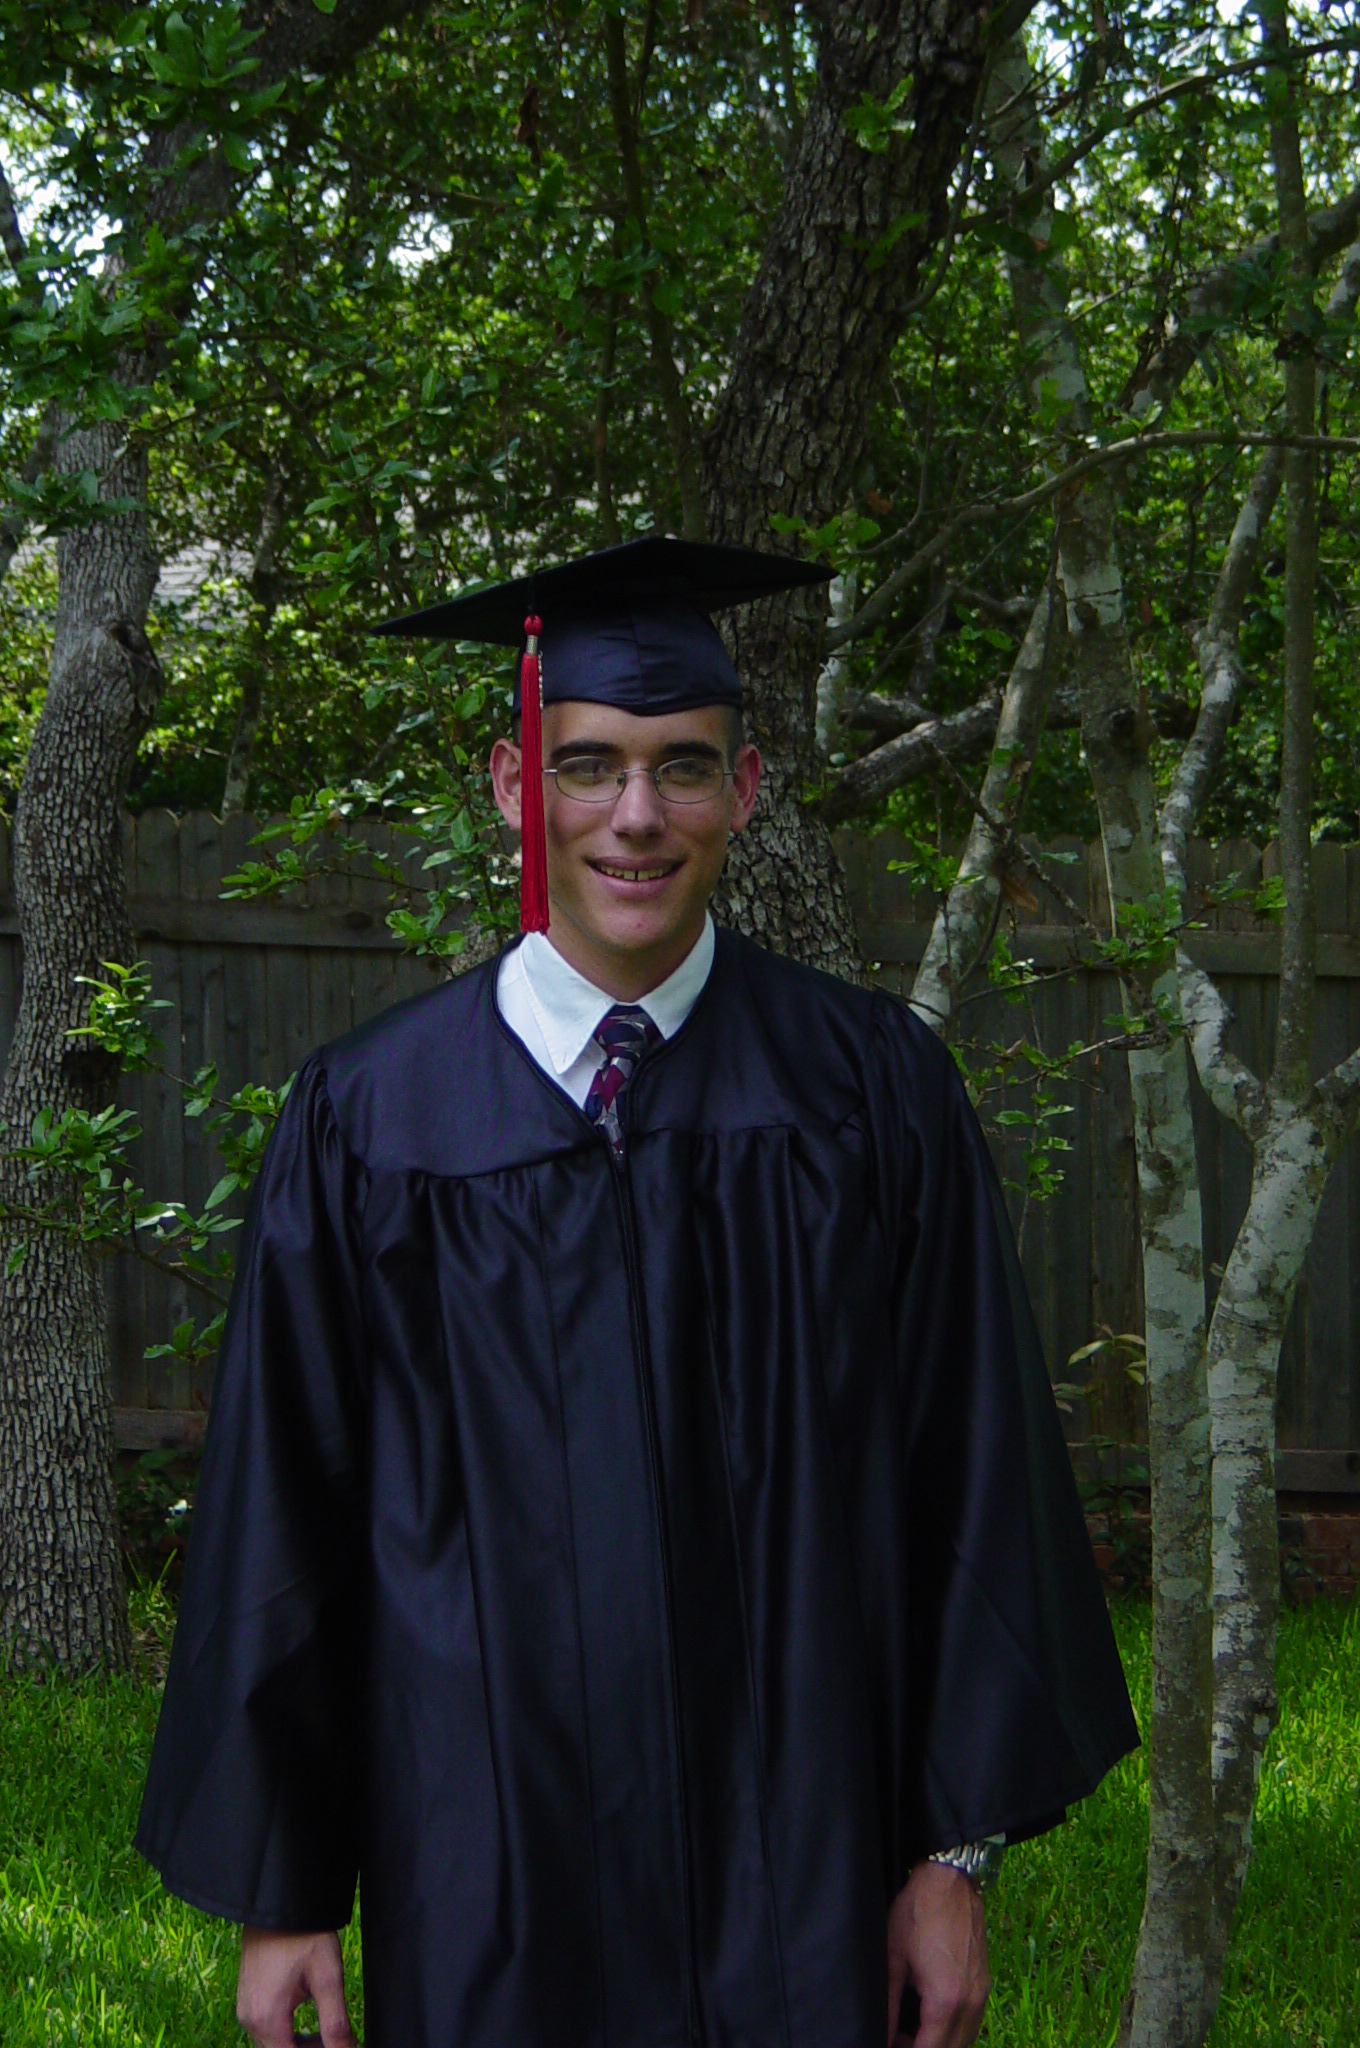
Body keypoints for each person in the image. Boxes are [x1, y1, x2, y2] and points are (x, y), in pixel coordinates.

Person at [136, 538, 1138, 2048]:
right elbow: (287, 1509)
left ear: (746, 790)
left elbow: (974, 1471)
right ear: (512, 786)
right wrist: (285, 1895)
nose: (636, 815)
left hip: (798, 1869)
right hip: (483, 1864)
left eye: (684, 768)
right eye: (589, 765)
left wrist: (950, 1858)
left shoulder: (865, 1094)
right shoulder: (374, 1120)